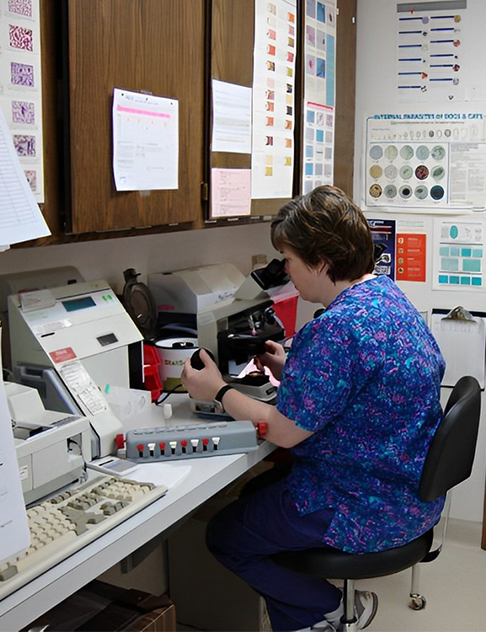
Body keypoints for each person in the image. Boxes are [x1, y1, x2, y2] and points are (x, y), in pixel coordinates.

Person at [181, 185, 446, 632]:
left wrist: (217, 390)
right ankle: (306, 619)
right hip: (407, 490)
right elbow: (367, 383)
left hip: (362, 503)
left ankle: (325, 608)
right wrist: (294, 369)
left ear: (320, 261)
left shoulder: (337, 329)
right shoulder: (385, 296)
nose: (286, 270)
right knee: (254, 498)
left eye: (289, 259)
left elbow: (282, 432)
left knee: (225, 535)